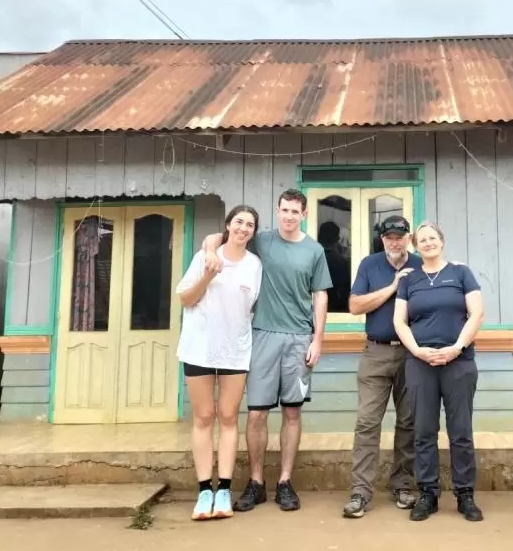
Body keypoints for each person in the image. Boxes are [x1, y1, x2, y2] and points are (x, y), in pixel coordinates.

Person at [201, 189, 333, 513]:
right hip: (261, 336)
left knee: (292, 412)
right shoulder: (261, 240)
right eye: (284, 210)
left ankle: (285, 482)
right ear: (277, 211)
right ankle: (256, 482)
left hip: (299, 338)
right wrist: (209, 250)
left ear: (304, 215)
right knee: (257, 413)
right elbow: (220, 236)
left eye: (295, 211)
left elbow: (320, 296)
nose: (289, 216)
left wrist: (318, 339)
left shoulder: (314, 251)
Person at [392, 221, 485, 523]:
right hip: (420, 363)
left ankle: (465, 493)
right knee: (423, 431)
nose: (428, 243)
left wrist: (457, 346)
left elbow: (477, 313)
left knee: (461, 432)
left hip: (458, 361)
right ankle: (428, 492)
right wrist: (417, 350)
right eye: (422, 240)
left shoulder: (461, 273)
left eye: (433, 238)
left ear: (442, 242)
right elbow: (400, 322)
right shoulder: (410, 280)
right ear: (415, 246)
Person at [176, 204, 263, 521]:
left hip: (235, 351)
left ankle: (224, 490)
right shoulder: (205, 257)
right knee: (203, 416)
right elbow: (185, 298)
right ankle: (203, 492)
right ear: (228, 225)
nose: (243, 228)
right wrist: (209, 274)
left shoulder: (254, 265)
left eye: (250, 225)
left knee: (228, 416)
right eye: (238, 222)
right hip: (198, 348)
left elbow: (250, 307)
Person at [342, 215, 423, 519]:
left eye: (399, 236)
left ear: (408, 238)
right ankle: (361, 491)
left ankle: (402, 484)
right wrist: (393, 287)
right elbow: (354, 306)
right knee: (367, 422)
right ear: (382, 239)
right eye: (389, 236)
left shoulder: (420, 262)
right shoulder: (369, 264)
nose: (394, 241)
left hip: (412, 354)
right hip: (375, 352)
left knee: (409, 422)